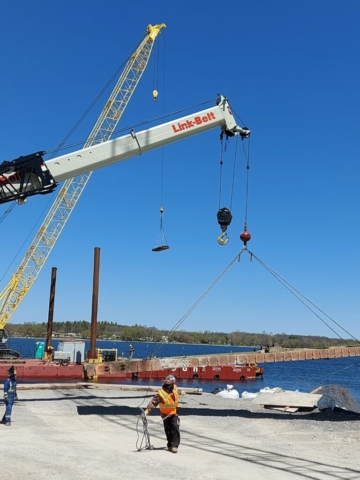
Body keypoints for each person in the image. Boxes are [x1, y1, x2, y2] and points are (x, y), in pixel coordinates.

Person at [144, 374, 180, 453]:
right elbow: (153, 402)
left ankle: (175, 446)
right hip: (165, 414)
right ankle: (170, 445)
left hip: (174, 412)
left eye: (172, 383)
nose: (170, 385)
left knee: (175, 427)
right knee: (168, 429)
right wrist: (147, 411)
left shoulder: (175, 388)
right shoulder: (161, 393)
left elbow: (176, 396)